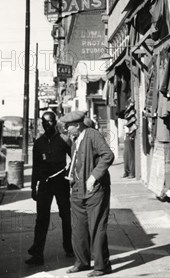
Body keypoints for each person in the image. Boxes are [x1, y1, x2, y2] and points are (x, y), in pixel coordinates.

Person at [60, 110, 115, 277]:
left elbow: (108, 155)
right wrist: (71, 176)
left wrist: (93, 177)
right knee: (78, 228)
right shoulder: (76, 139)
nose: (66, 129)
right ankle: (82, 262)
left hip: (95, 189)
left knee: (97, 227)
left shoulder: (92, 135)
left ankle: (101, 266)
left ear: (77, 125)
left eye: (68, 127)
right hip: (78, 189)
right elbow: (77, 160)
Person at [25, 111, 73, 266]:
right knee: (41, 219)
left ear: (55, 122)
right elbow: (36, 168)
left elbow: (75, 159)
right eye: (44, 122)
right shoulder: (38, 143)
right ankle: (38, 254)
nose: (47, 125)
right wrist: (33, 187)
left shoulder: (65, 140)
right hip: (45, 184)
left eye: (49, 121)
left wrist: (69, 173)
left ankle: (69, 247)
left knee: (66, 216)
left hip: (61, 182)